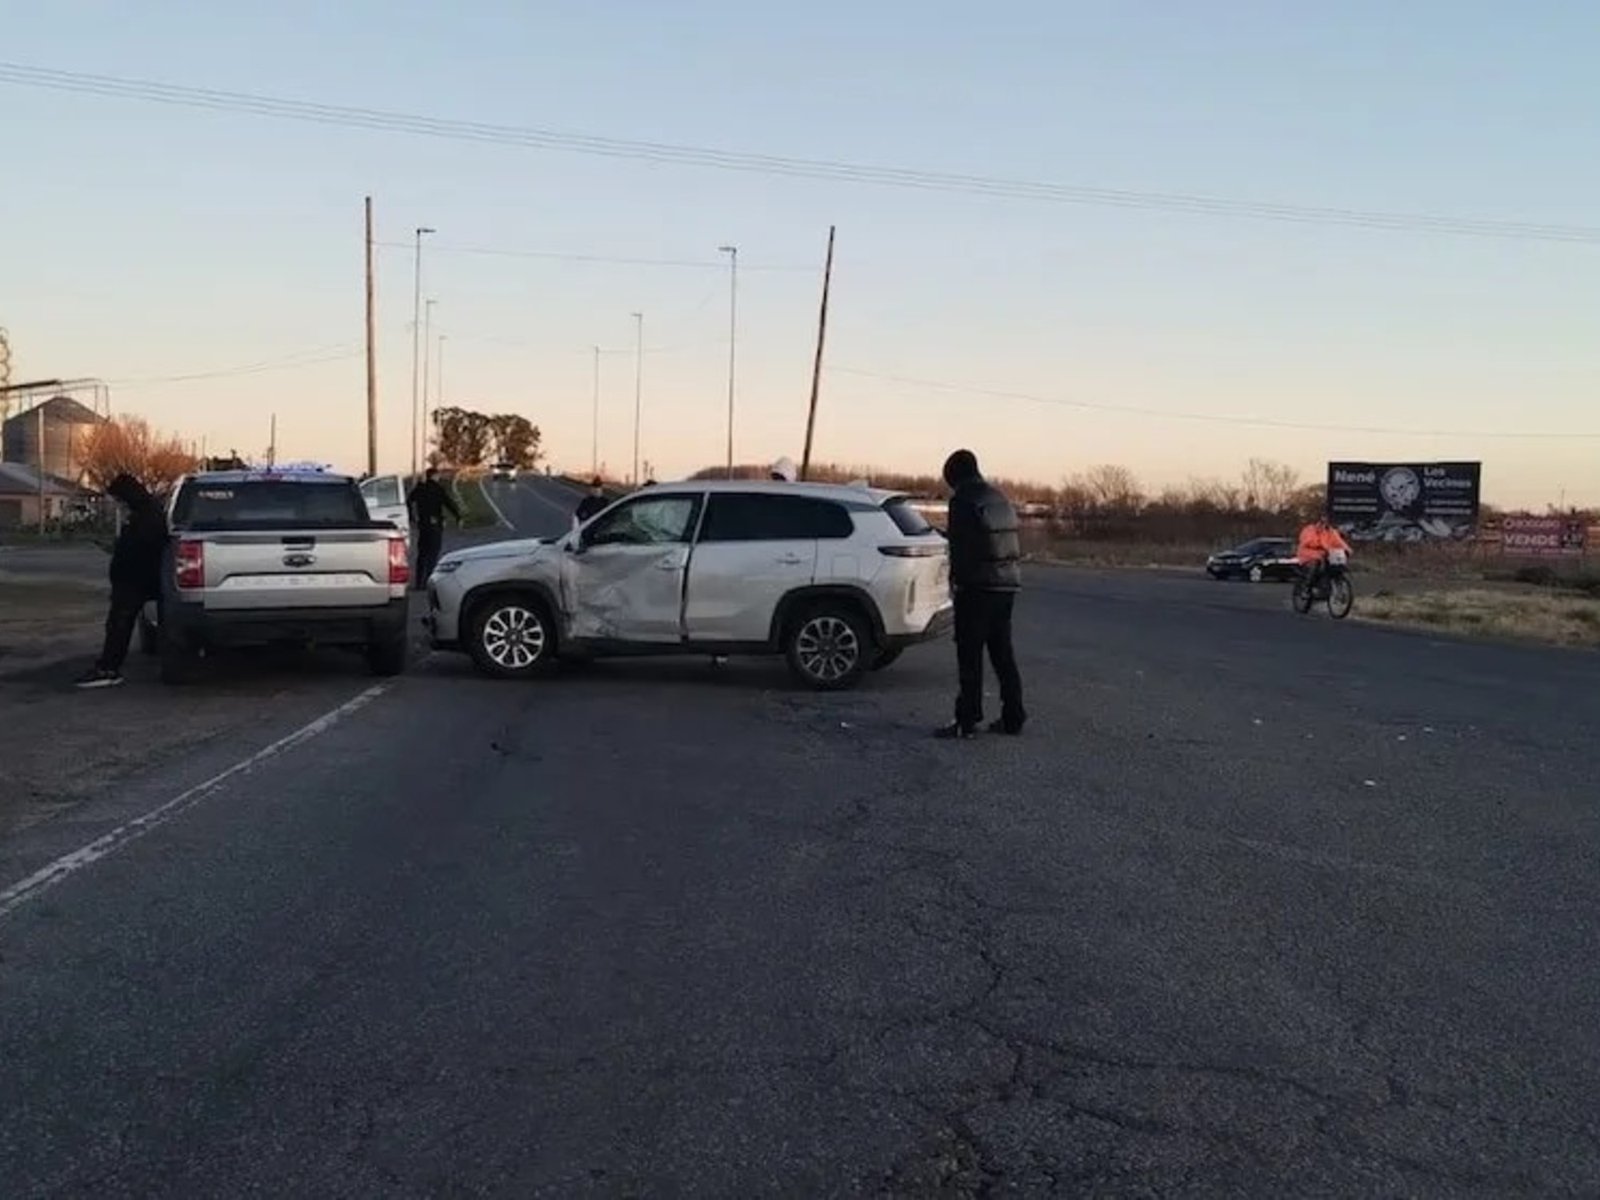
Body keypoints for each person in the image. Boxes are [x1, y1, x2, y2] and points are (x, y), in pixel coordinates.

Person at [937, 449, 1025, 739]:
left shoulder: (963, 501)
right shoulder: (999, 497)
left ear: (954, 476)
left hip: (977, 587)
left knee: (969, 655)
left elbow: (962, 548)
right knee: (1003, 653)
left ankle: (967, 719)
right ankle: (1013, 716)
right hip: (1006, 585)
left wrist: (956, 582)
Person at [77, 474, 168, 689]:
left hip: (136, 581)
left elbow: (144, 550)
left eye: (118, 498)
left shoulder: (147, 517)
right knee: (120, 624)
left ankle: (109, 668)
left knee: (119, 625)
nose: (118, 503)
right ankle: (109, 666)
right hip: (134, 580)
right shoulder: (145, 513)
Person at [407, 468, 461, 588]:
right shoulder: (438, 489)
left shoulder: (420, 488)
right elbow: (449, 503)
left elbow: (409, 500)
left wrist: (411, 516)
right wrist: (458, 516)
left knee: (422, 554)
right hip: (435, 524)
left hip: (423, 524)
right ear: (435, 476)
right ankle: (429, 581)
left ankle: (418, 582)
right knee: (432, 554)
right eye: (438, 475)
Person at [1296, 514, 1351, 595]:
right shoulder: (1310, 529)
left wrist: (1347, 549)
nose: (1324, 524)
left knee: (1334, 566)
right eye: (1323, 521)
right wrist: (1317, 544)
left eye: (1326, 521)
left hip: (1324, 554)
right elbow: (1306, 540)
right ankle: (1307, 587)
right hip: (1308, 554)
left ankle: (1327, 586)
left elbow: (1339, 542)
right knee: (1315, 565)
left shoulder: (1331, 532)